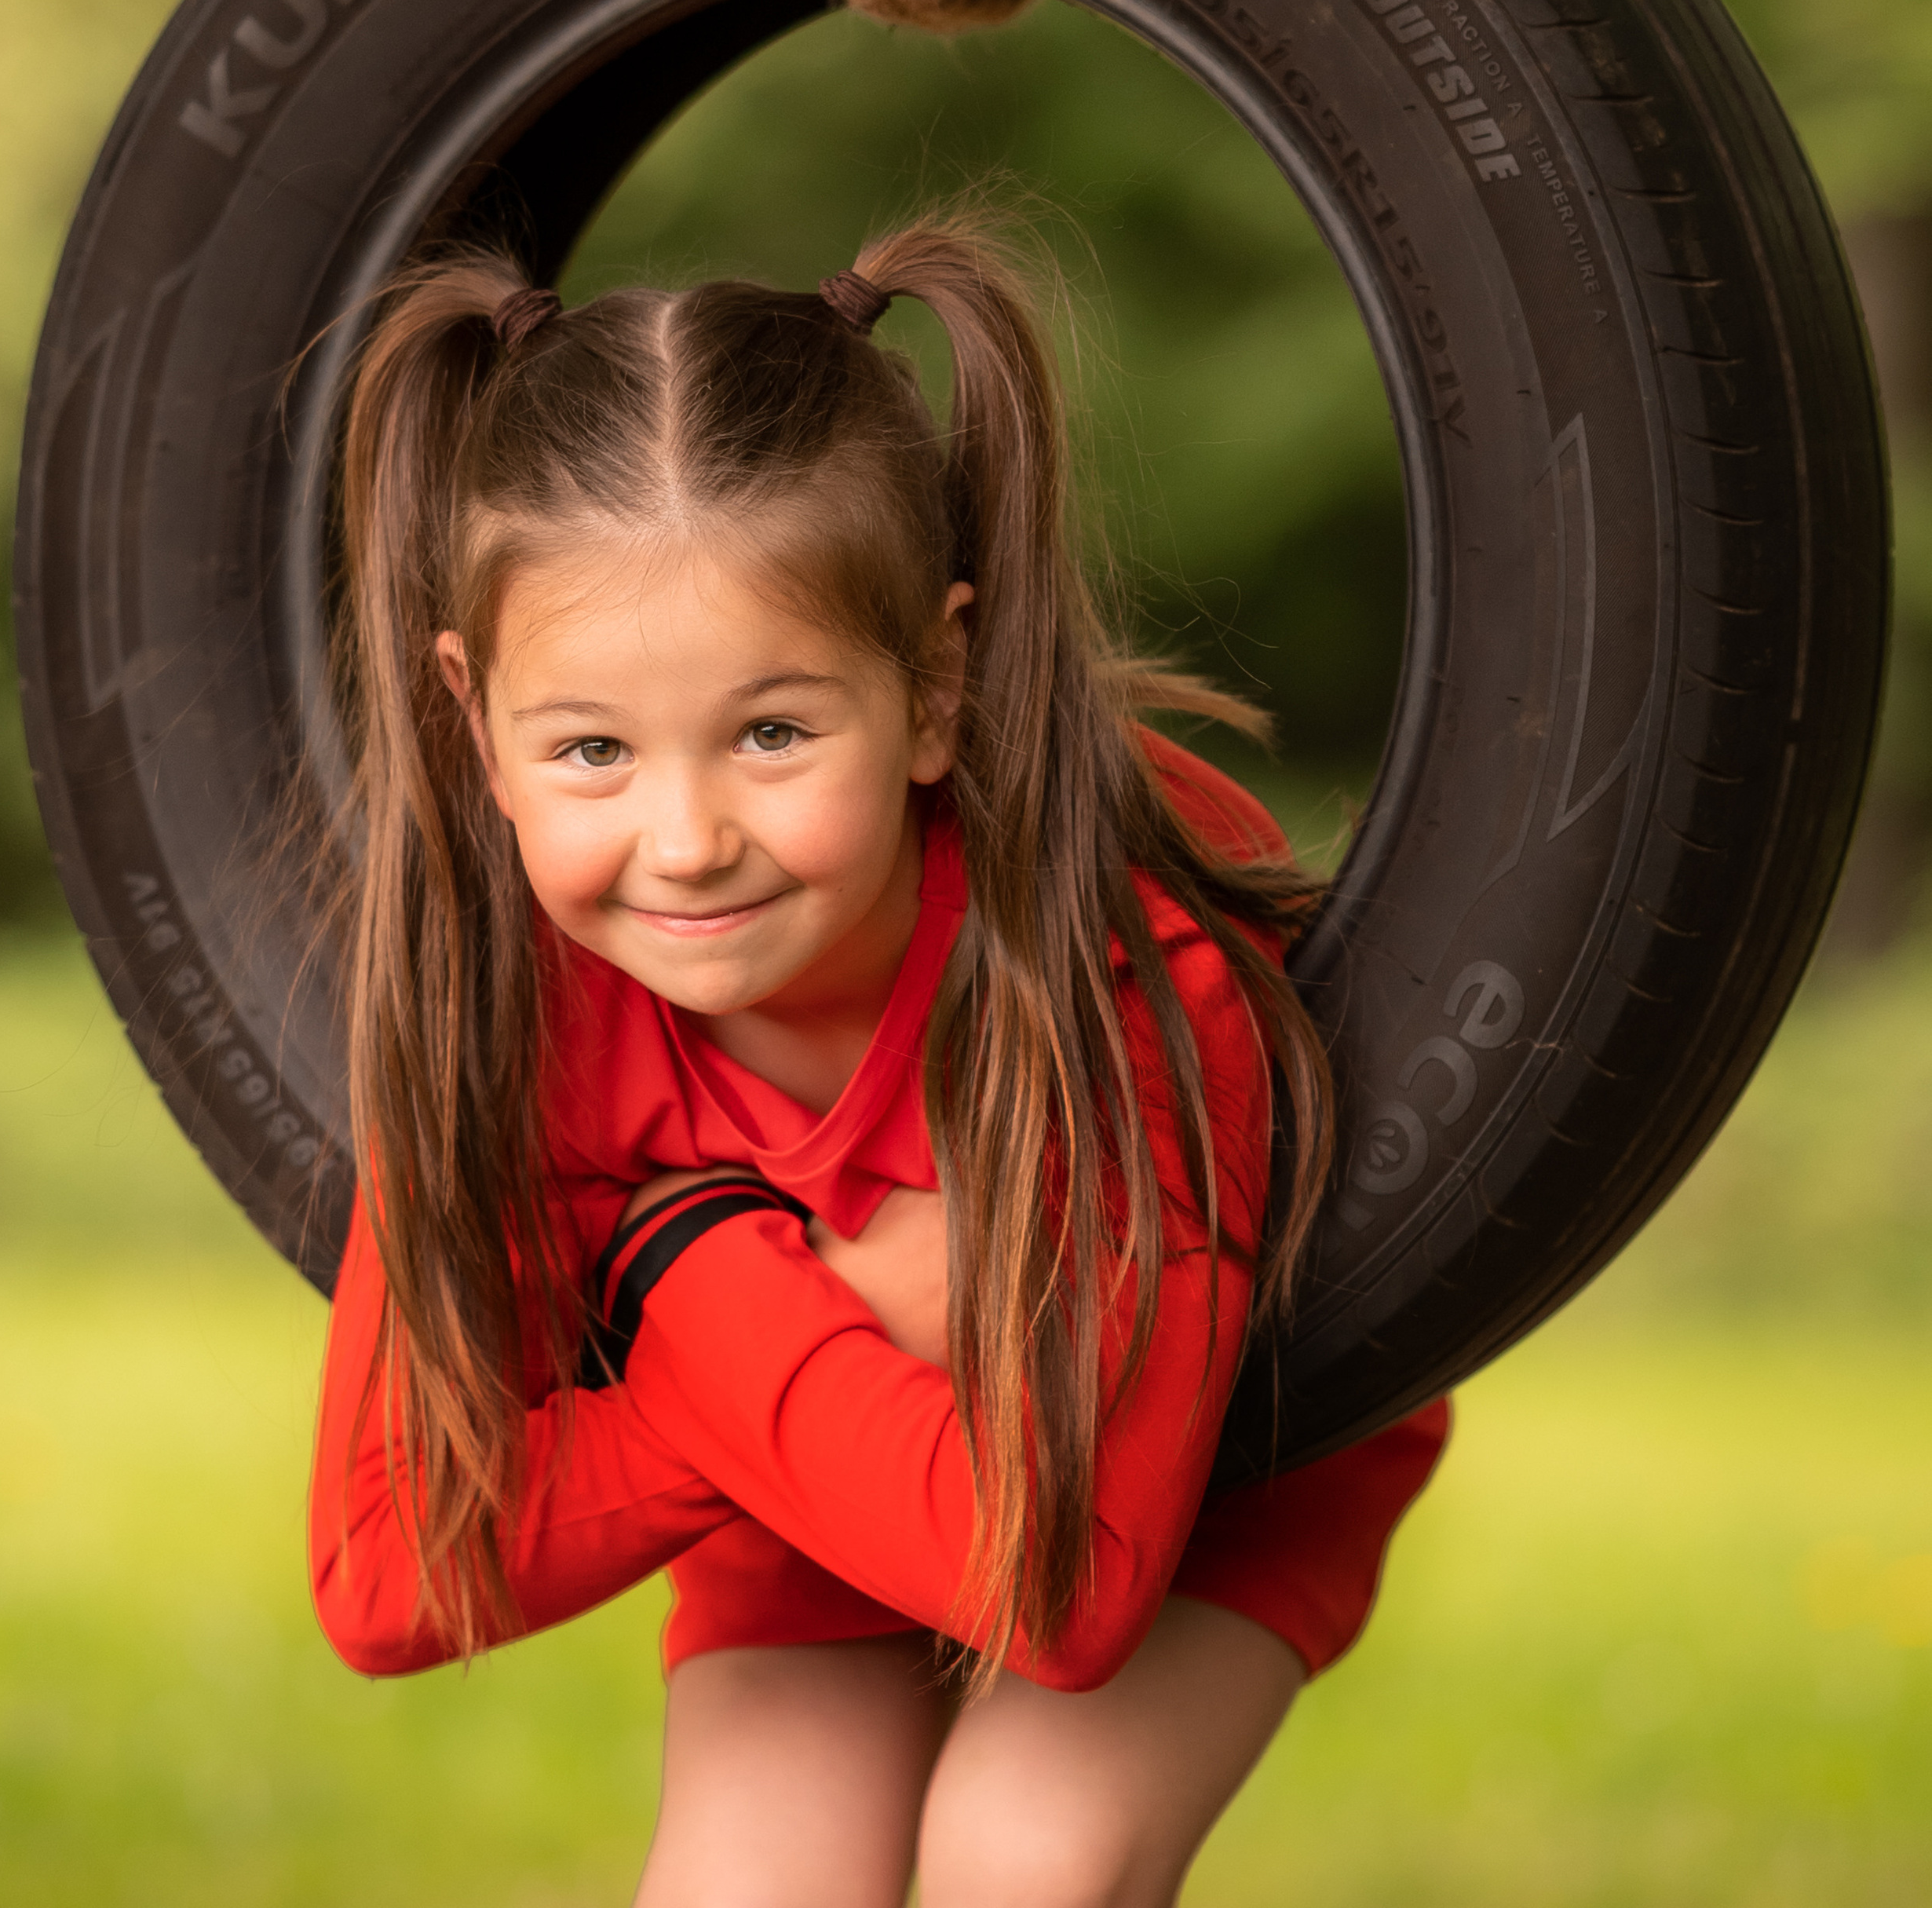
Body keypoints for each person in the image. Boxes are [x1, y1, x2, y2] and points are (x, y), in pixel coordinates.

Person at [306, 217, 1447, 1908]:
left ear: (930, 685)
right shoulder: (513, 1006)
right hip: (807, 1473)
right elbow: (386, 1566)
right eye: (592, 749)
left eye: (771, 732)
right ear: (476, 724)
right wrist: (733, 1284)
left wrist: (662, 1266)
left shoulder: (1115, 971)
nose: (683, 840)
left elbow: (1057, 1599)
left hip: (1201, 1460)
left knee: (1023, 1854)